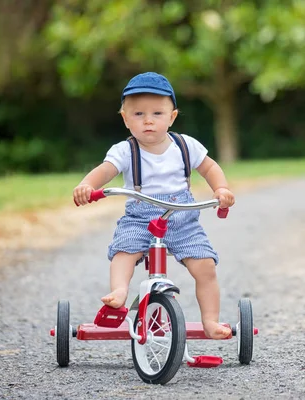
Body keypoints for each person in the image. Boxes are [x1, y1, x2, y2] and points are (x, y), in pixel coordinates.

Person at [73, 72, 235, 339]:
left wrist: (221, 189)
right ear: (125, 119)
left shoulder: (185, 146)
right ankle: (120, 291)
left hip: (182, 219)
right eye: (138, 114)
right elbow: (105, 171)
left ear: (172, 117)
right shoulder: (125, 151)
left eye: (157, 114)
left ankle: (210, 320)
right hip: (140, 217)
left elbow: (210, 167)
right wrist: (87, 186)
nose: (148, 120)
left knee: (205, 266)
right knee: (124, 250)